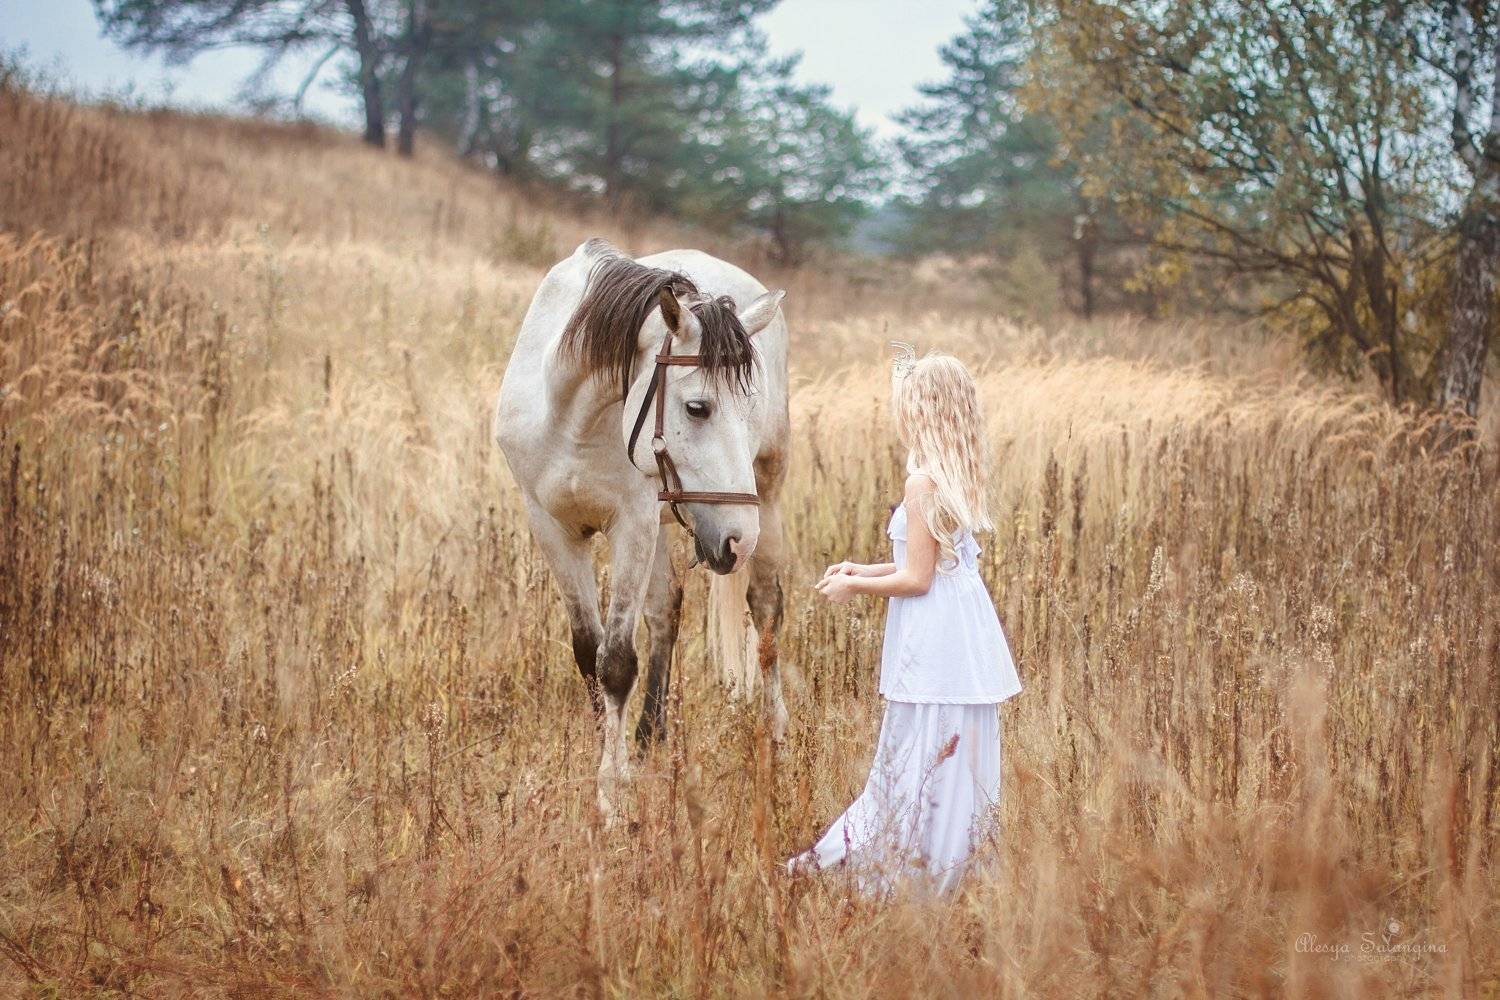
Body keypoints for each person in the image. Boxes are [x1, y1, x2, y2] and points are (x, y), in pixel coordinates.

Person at [790, 346, 1022, 895]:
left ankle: (900, 868)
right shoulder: (952, 476)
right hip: (962, 636)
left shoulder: (922, 485)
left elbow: (916, 579)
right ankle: (947, 865)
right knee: (947, 755)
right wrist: (862, 566)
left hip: (936, 639)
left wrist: (854, 586)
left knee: (914, 752)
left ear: (923, 411)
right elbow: (932, 563)